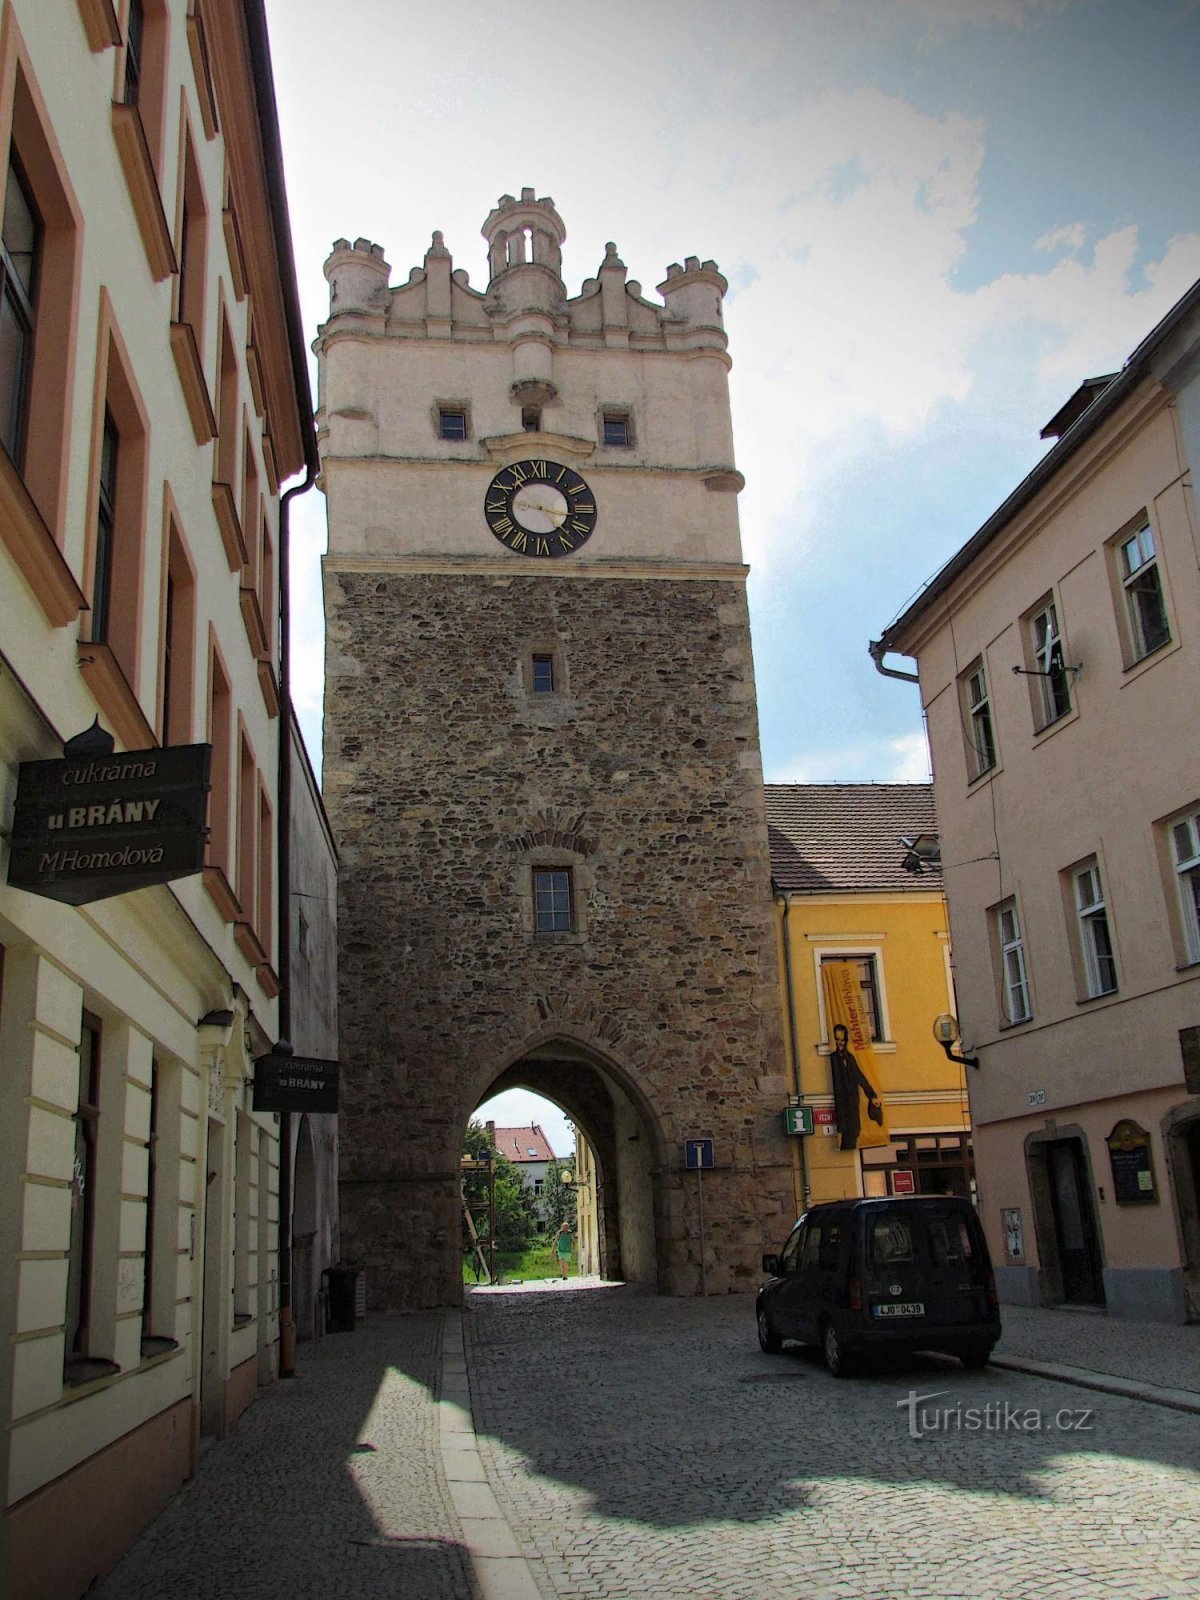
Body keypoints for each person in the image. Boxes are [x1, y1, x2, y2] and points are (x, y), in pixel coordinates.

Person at [828, 1023, 884, 1151]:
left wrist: (872, 1096)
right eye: (837, 1039)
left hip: (853, 1106)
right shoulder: (833, 1059)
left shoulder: (850, 1058)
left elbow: (860, 1077)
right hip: (841, 1106)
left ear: (846, 1040)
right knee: (846, 1137)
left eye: (842, 1040)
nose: (839, 1043)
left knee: (853, 1134)